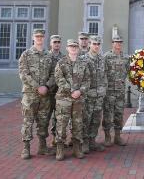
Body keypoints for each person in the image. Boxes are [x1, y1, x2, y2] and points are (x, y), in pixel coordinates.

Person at [18, 29, 55, 159]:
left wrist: (46, 86)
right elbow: (23, 73)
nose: (39, 38)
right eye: (37, 36)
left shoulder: (49, 55)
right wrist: (37, 86)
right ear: (33, 37)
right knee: (28, 121)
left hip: (45, 95)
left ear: (44, 38)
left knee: (44, 121)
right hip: (30, 94)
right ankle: (26, 148)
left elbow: (53, 74)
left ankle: (42, 146)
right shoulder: (26, 54)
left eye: (41, 36)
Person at [54, 39, 90, 161]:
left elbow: (87, 80)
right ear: (67, 48)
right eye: (71, 46)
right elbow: (59, 79)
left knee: (78, 124)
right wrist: (71, 91)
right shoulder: (61, 62)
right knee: (62, 124)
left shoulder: (83, 63)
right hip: (64, 98)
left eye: (75, 46)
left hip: (78, 98)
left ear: (78, 48)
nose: (73, 48)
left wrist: (80, 91)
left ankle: (77, 148)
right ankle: (60, 148)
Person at [102, 35, 130, 147]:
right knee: (108, 114)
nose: (118, 44)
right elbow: (102, 72)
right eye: (116, 42)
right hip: (109, 90)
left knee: (119, 114)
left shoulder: (125, 57)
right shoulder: (106, 57)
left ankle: (117, 136)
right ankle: (107, 137)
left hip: (120, 91)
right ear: (112, 43)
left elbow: (129, 71)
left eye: (120, 42)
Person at [82, 36, 107, 154]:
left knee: (96, 119)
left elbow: (104, 75)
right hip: (88, 95)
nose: (96, 46)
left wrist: (104, 89)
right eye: (94, 44)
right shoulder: (83, 59)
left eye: (98, 44)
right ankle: (85, 142)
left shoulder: (102, 59)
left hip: (99, 95)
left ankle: (92, 140)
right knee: (86, 118)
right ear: (89, 45)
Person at [47, 35, 65, 147]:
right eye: (54, 42)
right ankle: (43, 143)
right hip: (48, 93)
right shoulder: (46, 57)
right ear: (51, 43)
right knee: (45, 117)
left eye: (58, 42)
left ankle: (56, 139)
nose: (56, 44)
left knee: (59, 117)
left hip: (60, 92)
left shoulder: (64, 58)